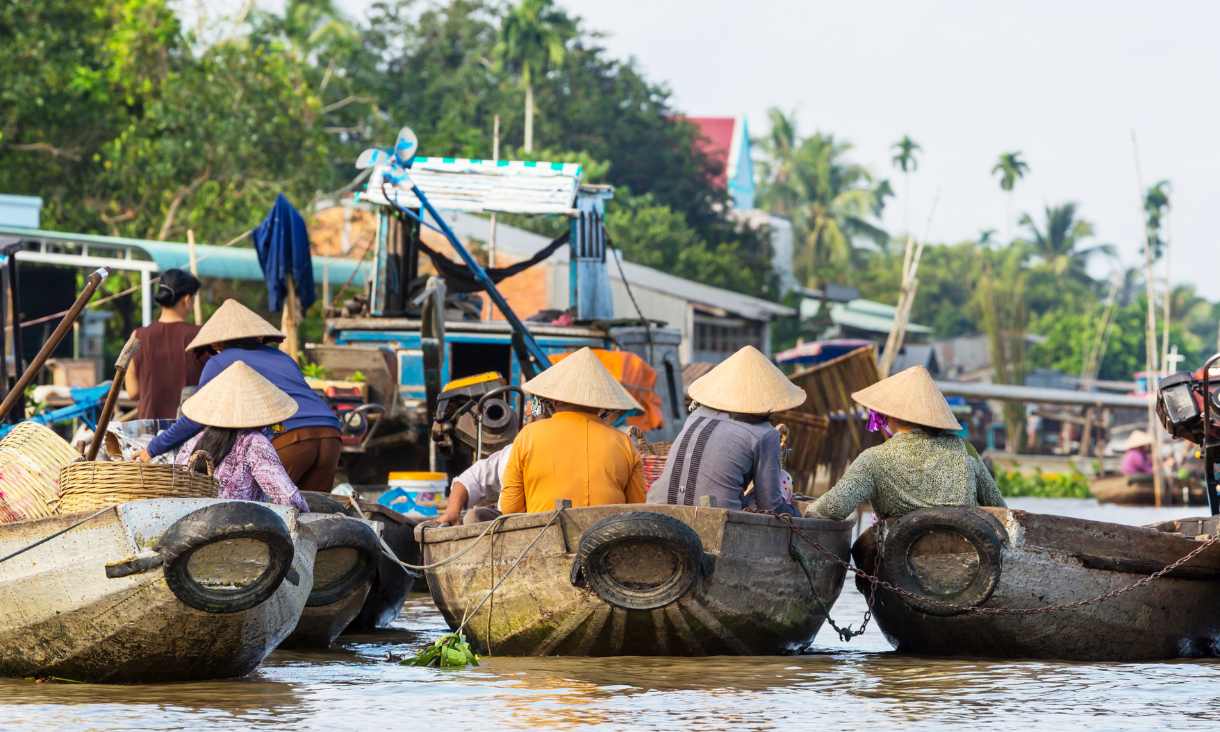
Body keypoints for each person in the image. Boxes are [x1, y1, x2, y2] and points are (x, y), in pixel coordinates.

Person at [141, 299, 342, 492]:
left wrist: (152, 449)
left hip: (288, 436)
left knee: (270, 513)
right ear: (259, 336)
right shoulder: (283, 358)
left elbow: (195, 419)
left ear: (217, 343)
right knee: (314, 515)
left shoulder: (219, 362)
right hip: (330, 433)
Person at [807, 365, 1007, 521]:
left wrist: (806, 509)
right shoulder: (965, 449)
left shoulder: (873, 459)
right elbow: (998, 506)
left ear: (890, 416)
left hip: (900, 560)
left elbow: (833, 508)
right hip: (970, 557)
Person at [648, 345, 802, 515]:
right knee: (784, 478)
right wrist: (795, 513)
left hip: (657, 503)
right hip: (714, 515)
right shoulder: (766, 434)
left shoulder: (696, 415)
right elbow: (770, 505)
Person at [500, 347, 646, 513]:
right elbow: (637, 508)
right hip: (608, 536)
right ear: (601, 404)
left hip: (544, 536)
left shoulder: (528, 435)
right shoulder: (624, 442)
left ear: (554, 401)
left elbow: (509, 509)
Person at [173, 360, 308, 512]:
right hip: (239, 528)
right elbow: (287, 497)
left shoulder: (193, 441)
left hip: (190, 524)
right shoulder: (254, 442)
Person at [124, 269, 207, 420]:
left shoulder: (137, 336)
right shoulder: (201, 335)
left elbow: (132, 392)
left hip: (148, 433)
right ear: (187, 299)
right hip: (188, 431)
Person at [439, 444, 512, 526]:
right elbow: (469, 479)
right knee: (472, 517)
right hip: (505, 518)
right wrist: (451, 511)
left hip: (525, 516)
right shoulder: (511, 452)